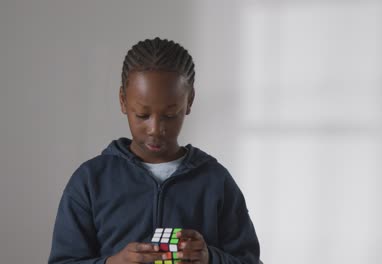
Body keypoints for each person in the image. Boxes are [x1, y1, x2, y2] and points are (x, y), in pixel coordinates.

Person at [48, 37, 260, 264]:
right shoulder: (90, 181)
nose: (156, 129)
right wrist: (112, 263)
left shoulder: (215, 181)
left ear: (189, 102)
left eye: (170, 115)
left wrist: (210, 258)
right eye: (142, 115)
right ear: (122, 100)